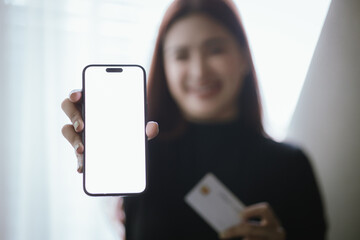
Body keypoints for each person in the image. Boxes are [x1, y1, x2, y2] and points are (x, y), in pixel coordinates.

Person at [62, 0, 327, 239]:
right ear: (165, 68)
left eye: (215, 50)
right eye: (181, 55)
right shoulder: (142, 157)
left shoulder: (292, 167)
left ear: (244, 57)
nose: (199, 71)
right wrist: (93, 143)